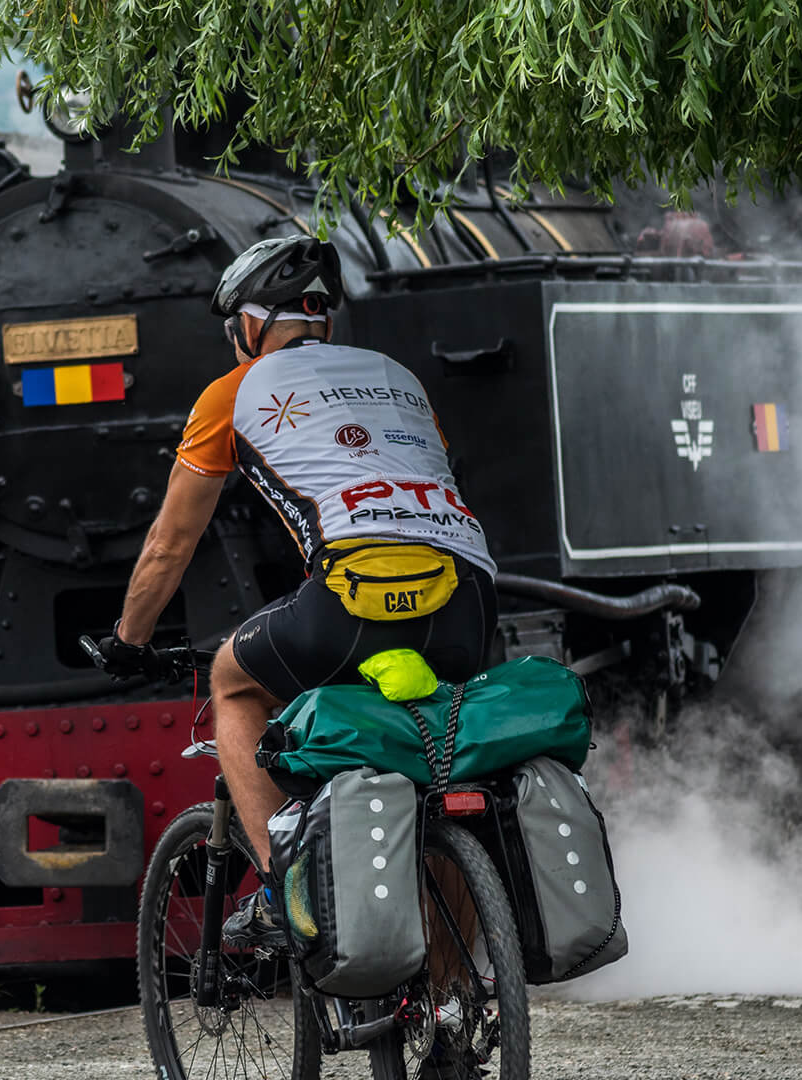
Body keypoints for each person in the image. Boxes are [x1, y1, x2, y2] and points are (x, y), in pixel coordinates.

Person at [98, 235, 498, 945]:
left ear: (250, 327)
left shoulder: (234, 391)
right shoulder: (400, 380)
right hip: (465, 602)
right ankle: (454, 1007)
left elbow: (169, 543)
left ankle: (288, 888)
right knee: (429, 774)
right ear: (325, 321)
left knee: (234, 681)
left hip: (349, 602)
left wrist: (129, 641)